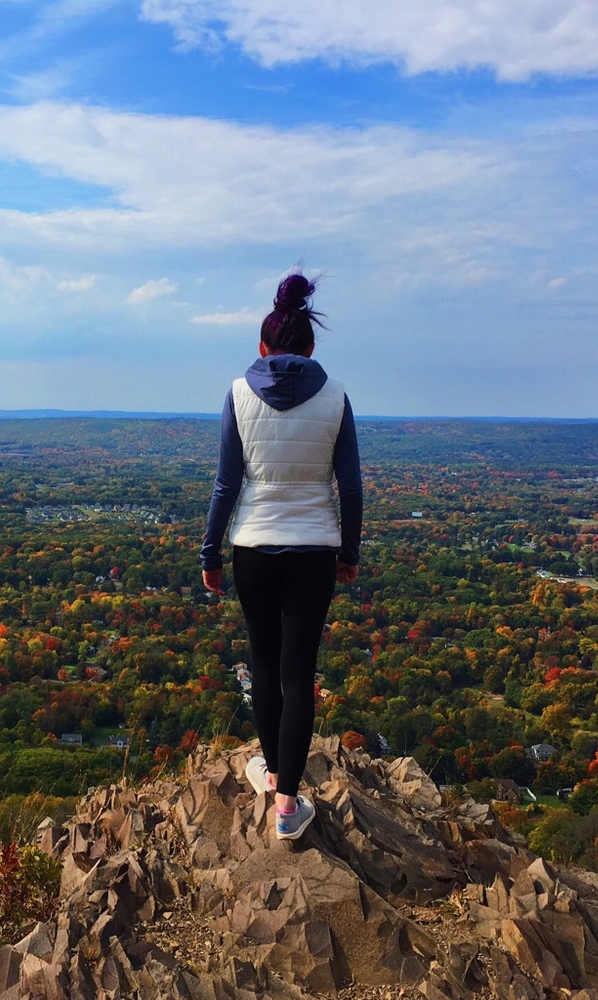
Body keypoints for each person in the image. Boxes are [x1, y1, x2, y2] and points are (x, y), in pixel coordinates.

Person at [200, 272, 362, 841]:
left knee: (265, 666)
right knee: (299, 673)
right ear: (311, 349)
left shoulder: (238, 393)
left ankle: (272, 774)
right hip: (314, 550)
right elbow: (351, 485)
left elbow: (226, 484)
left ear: (262, 349)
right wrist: (350, 552)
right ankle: (288, 805)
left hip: (253, 549)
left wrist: (210, 553)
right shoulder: (336, 395)